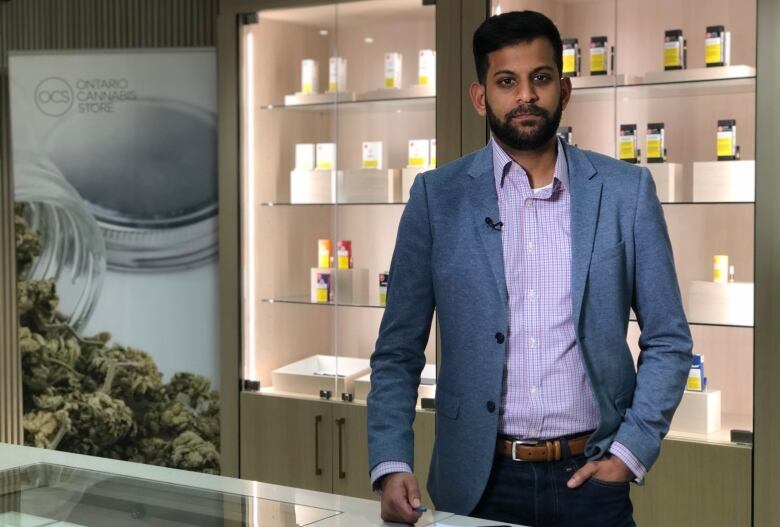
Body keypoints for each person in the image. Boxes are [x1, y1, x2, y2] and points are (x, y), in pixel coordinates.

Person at [366, 10, 693, 527]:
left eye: (540, 79)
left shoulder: (626, 193)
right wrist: (390, 462)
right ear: (481, 97)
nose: (525, 96)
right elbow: (397, 351)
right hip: (477, 481)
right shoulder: (436, 198)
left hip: (591, 477)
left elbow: (669, 340)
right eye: (506, 81)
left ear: (563, 90)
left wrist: (629, 452)